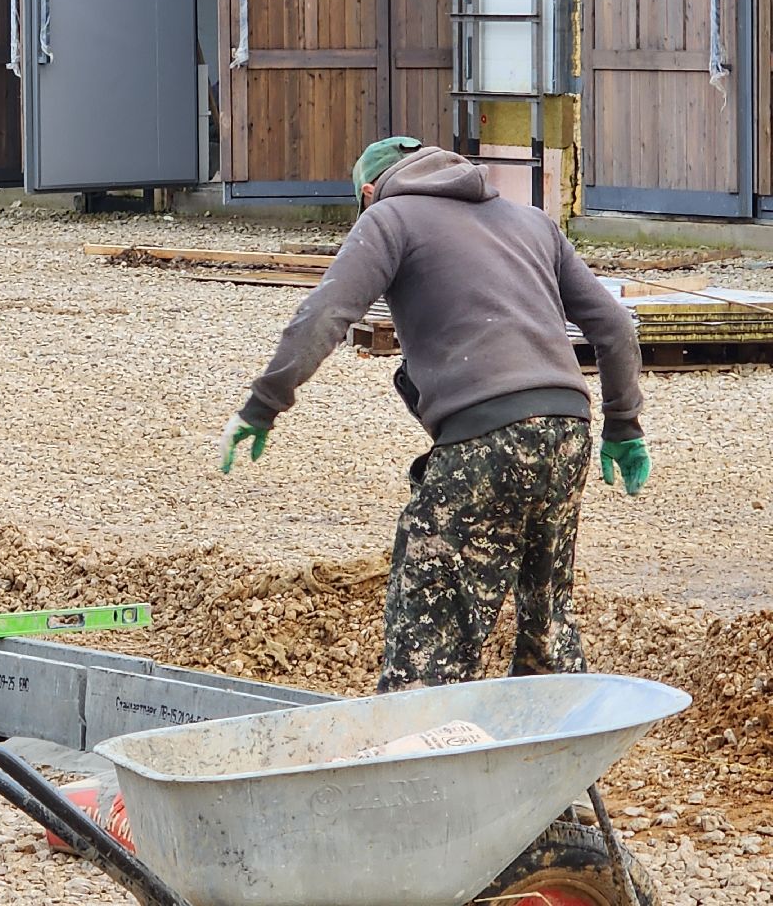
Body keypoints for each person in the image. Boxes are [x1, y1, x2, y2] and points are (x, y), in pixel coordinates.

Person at [219, 138, 652, 692]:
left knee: (430, 635)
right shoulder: (532, 222)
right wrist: (623, 425)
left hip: (484, 437)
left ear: (369, 192)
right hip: (568, 430)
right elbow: (615, 327)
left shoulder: (389, 218)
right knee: (547, 621)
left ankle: (417, 765)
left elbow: (324, 314)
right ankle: (561, 770)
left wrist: (262, 406)